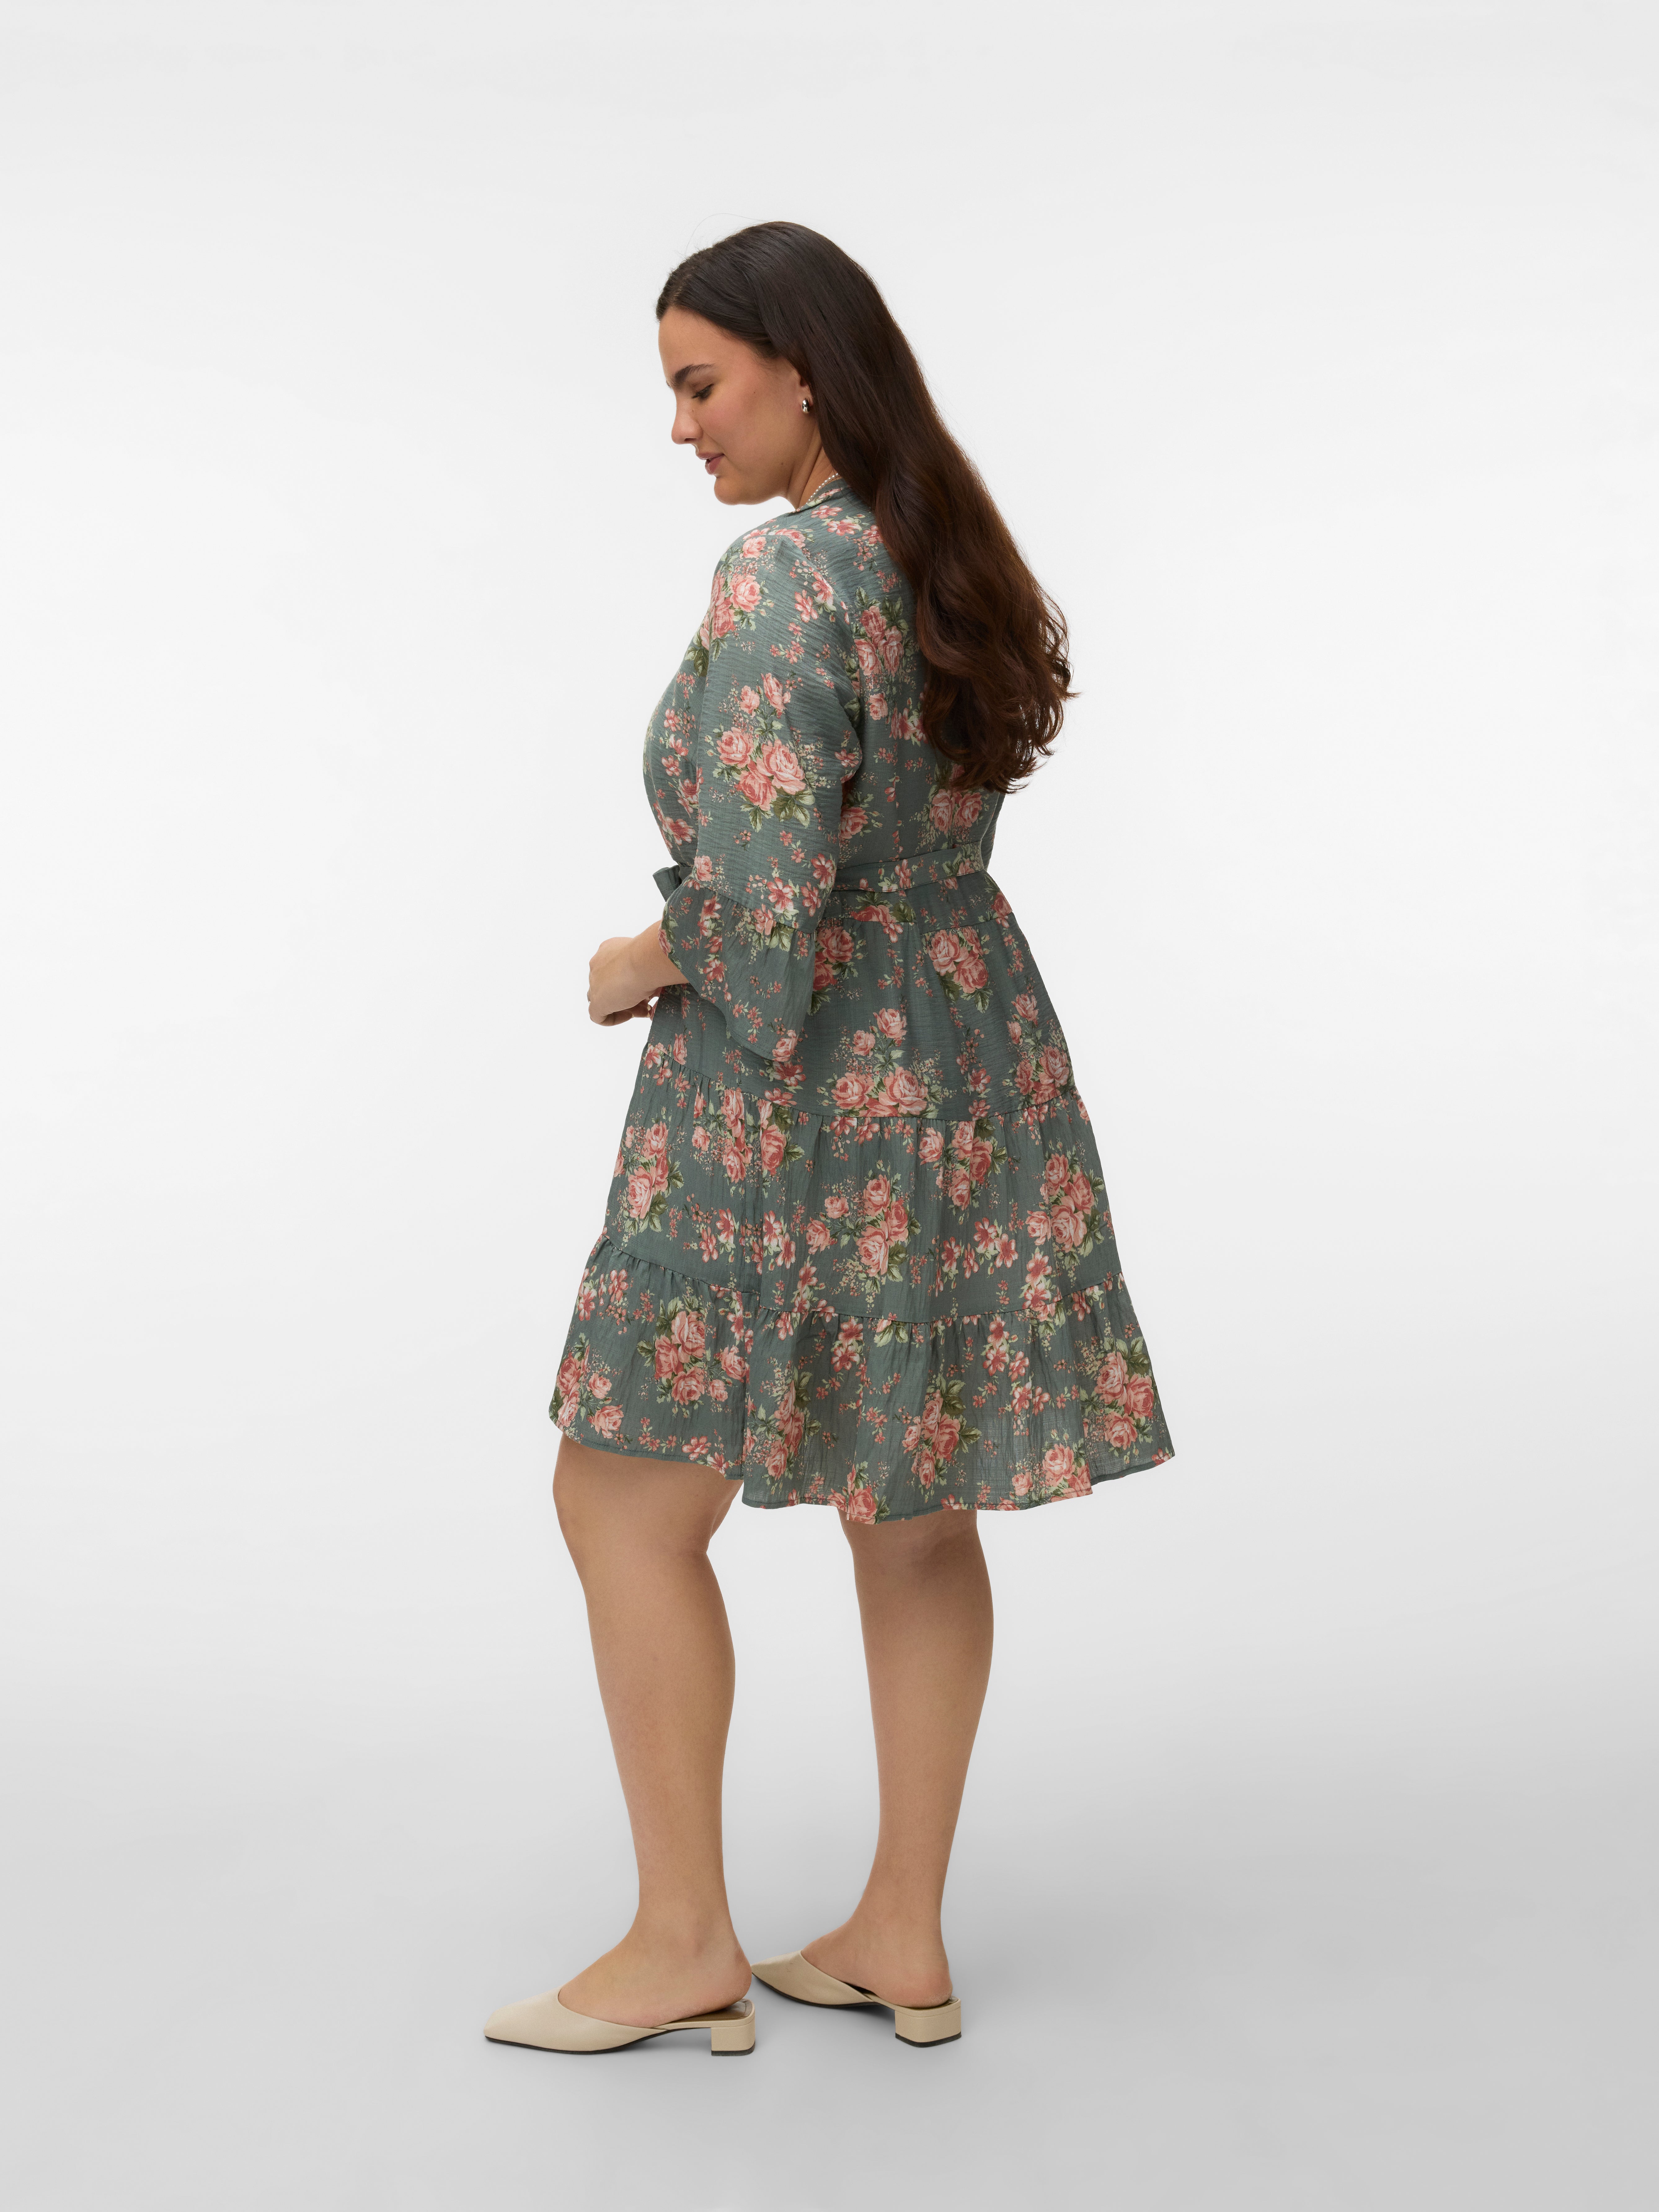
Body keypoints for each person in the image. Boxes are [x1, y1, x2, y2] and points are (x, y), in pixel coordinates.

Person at [484, 222, 1173, 2060]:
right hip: (963, 1051)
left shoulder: (784, 578)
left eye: (700, 384)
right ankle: (898, 1937)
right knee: (914, 1501)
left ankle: (680, 1940)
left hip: (790, 1082)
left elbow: (762, 905)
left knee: (619, 1494)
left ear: (803, 367)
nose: (683, 427)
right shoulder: (937, 554)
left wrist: (636, 962)